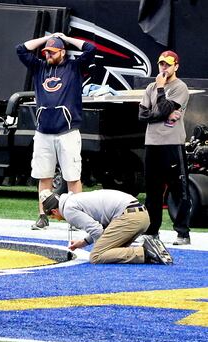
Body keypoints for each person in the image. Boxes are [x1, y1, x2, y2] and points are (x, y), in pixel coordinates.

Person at [17, 33, 96, 230]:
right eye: (46, 52)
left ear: (62, 52)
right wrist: (47, 39)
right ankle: (42, 216)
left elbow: (91, 49)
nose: (48, 55)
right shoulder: (39, 67)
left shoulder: (74, 67)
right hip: (43, 131)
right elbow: (21, 49)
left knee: (72, 177)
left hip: (67, 131)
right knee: (44, 176)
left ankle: (77, 218)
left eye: (52, 52)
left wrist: (66, 38)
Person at [138, 50, 192, 245]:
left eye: (168, 65)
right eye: (161, 64)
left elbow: (163, 108)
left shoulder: (180, 87)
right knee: (152, 190)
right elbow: (142, 115)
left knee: (179, 190)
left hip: (172, 143)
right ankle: (152, 230)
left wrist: (161, 90)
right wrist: (162, 114)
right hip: (152, 143)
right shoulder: (150, 87)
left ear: (176, 66)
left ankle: (182, 232)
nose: (164, 68)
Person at [40, 188, 172, 265]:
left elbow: (98, 231)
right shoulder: (75, 200)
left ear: (54, 211)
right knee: (112, 252)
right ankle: (149, 249)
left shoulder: (68, 210)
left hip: (129, 218)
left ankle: (146, 252)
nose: (56, 219)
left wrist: (100, 247)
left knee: (97, 256)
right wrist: (84, 242)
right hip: (140, 215)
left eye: (53, 217)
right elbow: (102, 226)